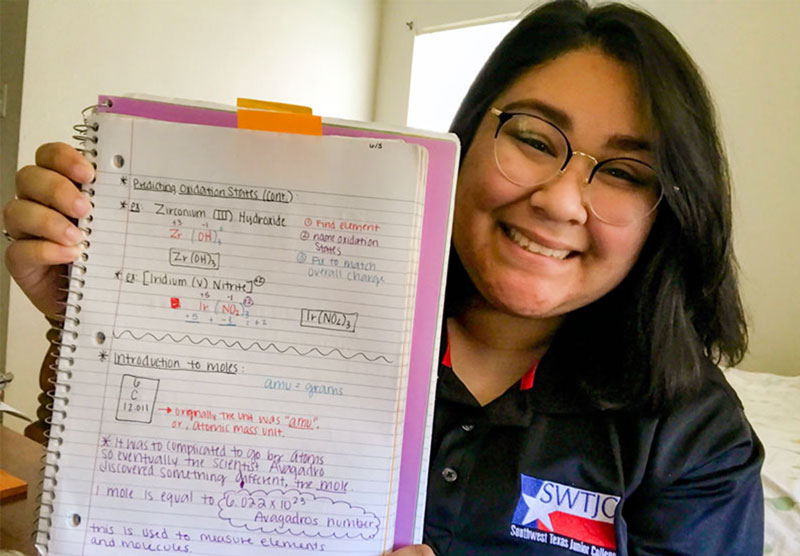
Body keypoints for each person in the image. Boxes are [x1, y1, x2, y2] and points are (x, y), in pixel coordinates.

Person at [3, 0, 763, 554]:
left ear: (669, 212)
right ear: (466, 140)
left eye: (626, 172)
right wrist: (91, 322)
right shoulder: (301, 312)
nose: (560, 200)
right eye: (534, 138)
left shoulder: (694, 434)